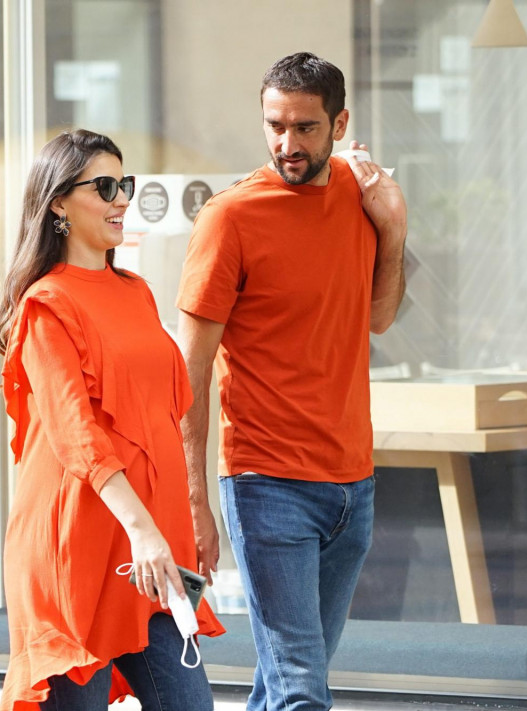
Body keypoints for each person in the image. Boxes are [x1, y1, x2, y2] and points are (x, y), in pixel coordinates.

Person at [176, 52, 408, 711]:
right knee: (303, 690)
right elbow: (188, 370)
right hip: (266, 483)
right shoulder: (230, 218)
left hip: (353, 485)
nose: (287, 144)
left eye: (305, 128)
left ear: (340, 123)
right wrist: (194, 498)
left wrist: (393, 228)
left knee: (283, 683)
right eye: (274, 126)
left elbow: (379, 318)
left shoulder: (362, 196)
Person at [0, 129, 223, 711]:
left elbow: (165, 418)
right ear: (59, 204)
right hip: (79, 550)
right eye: (104, 187)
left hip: (150, 550)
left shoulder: (136, 291)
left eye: (124, 184)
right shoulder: (45, 306)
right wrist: (145, 531)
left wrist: (187, 515)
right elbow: (78, 437)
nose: (121, 199)